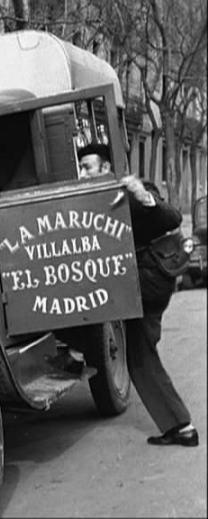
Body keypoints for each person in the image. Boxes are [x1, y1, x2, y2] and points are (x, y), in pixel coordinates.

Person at [77, 143, 198, 447]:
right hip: (146, 279)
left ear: (105, 168)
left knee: (142, 356)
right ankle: (180, 427)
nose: (83, 172)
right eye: (81, 167)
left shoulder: (129, 190)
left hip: (150, 278)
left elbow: (170, 217)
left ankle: (182, 426)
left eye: (88, 166)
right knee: (141, 354)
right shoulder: (103, 197)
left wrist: (141, 194)